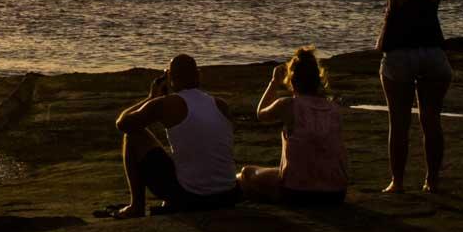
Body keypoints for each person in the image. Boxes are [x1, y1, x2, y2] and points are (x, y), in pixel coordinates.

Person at [100, 54, 240, 218]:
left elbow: (123, 123)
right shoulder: (221, 105)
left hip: (191, 197)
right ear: (199, 75)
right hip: (228, 194)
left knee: (133, 135)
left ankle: (136, 206)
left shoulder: (167, 104)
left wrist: (151, 98)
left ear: (170, 78)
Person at [370, 0, 451, 193]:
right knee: (431, 121)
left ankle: (398, 182)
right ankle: (433, 181)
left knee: (399, 122)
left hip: (400, 54)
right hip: (433, 54)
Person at [237, 46, 349, 205]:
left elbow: (261, 114)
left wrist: (274, 82)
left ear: (293, 79)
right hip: (336, 193)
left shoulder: (289, 104)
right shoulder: (334, 109)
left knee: (246, 173)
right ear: (318, 79)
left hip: (297, 192)